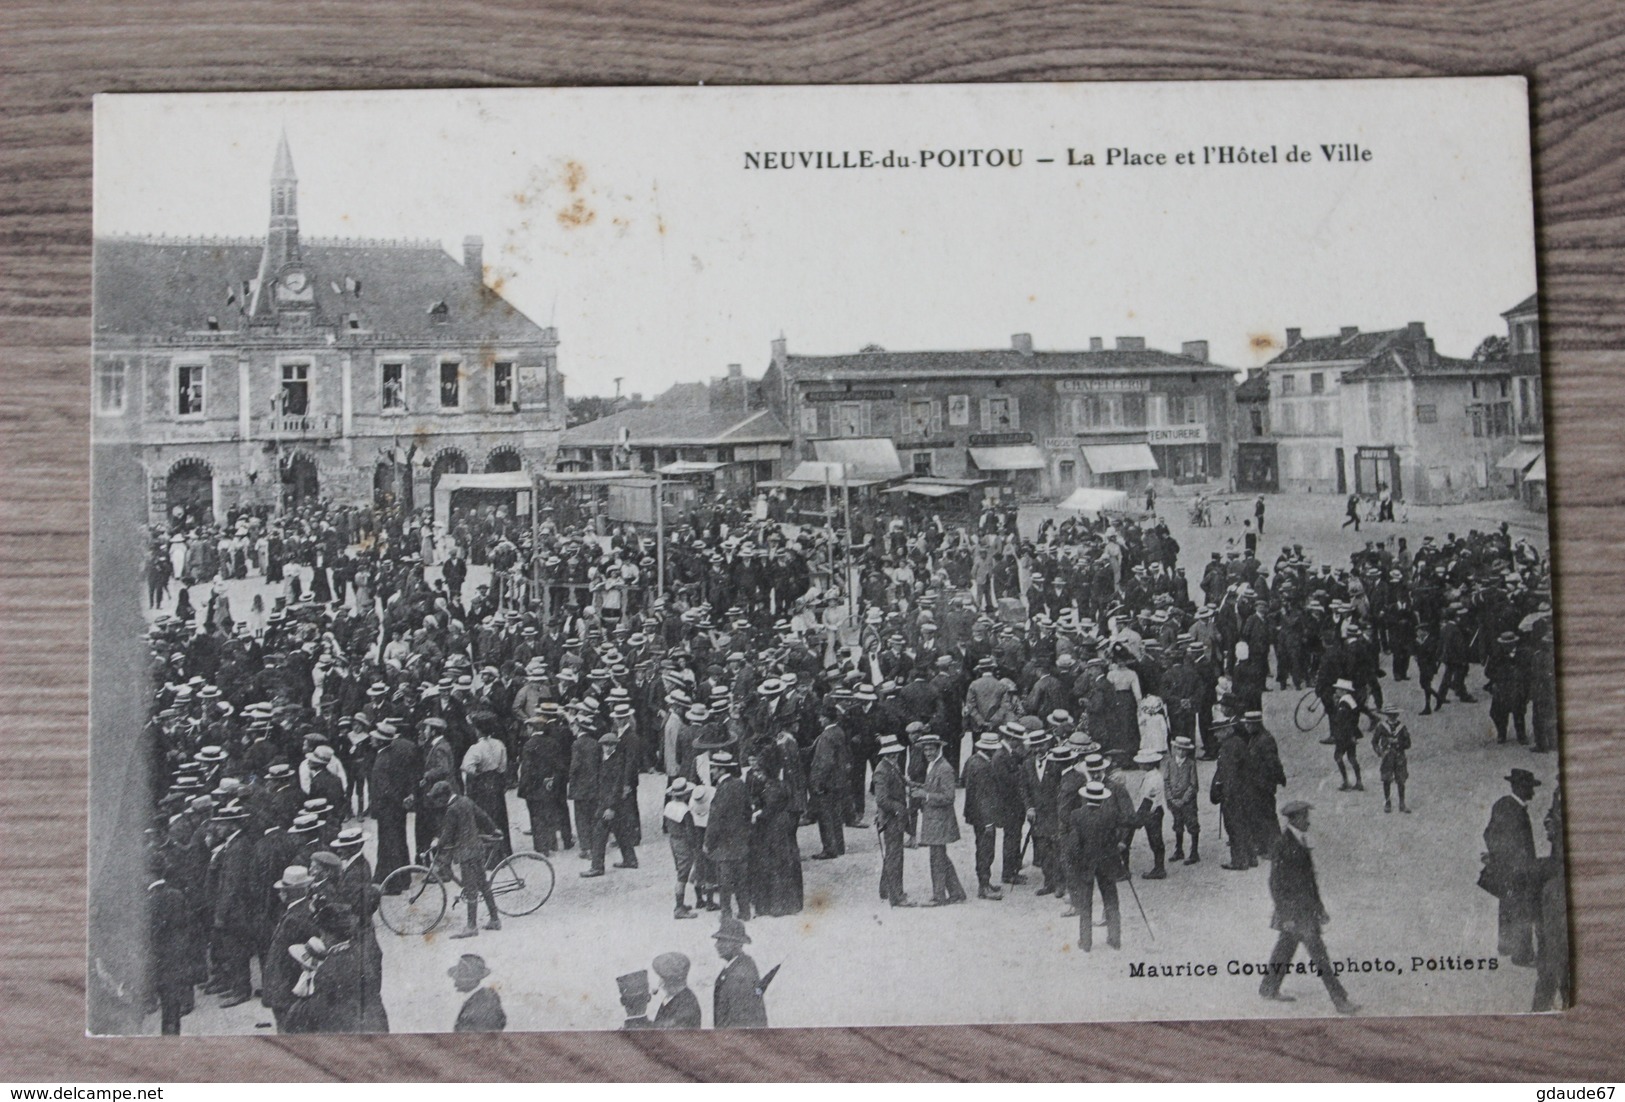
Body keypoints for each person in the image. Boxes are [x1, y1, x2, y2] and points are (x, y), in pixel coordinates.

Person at [1257, 801, 1360, 1014]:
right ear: (1294, 819)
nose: (1308, 821)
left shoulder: (1299, 841)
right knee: (1320, 956)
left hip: (1304, 910)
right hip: (1296, 914)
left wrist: (1319, 908)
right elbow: (1275, 884)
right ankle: (1340, 1000)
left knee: (1285, 949)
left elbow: (1309, 882)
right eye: (1305, 817)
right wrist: (1286, 915)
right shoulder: (1283, 844)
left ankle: (1268, 988)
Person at [1482, 768, 1541, 967]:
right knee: (1522, 908)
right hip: (1518, 869)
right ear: (1520, 788)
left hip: (1506, 867)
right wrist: (1519, 864)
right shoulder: (1516, 811)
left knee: (1507, 904)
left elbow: (1489, 833)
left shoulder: (1502, 804)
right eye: (1530, 788)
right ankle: (1522, 955)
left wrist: (1496, 857)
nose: (1533, 792)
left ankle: (1505, 945)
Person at [429, 781, 502, 939]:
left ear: (443, 797)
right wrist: (493, 829)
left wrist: (437, 843)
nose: (436, 802)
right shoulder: (465, 800)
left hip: (466, 853)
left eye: (437, 799)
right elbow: (482, 816)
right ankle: (495, 919)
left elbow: (447, 835)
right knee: (483, 884)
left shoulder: (451, 810)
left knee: (470, 888)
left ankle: (471, 926)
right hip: (476, 848)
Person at [910, 733, 967, 906]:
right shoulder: (933, 765)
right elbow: (934, 787)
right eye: (925, 749)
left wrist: (925, 795)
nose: (927, 752)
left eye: (931, 749)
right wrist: (917, 786)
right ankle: (956, 893)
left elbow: (949, 797)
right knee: (940, 857)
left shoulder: (944, 768)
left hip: (940, 821)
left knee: (937, 858)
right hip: (935, 820)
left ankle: (939, 896)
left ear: (938, 748)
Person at [1065, 781, 1122, 951]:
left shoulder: (1076, 815)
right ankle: (1114, 938)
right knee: (1111, 900)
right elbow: (1115, 837)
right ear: (1102, 798)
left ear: (1086, 797)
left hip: (1086, 863)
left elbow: (1074, 843)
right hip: (1106, 862)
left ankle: (1086, 941)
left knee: (1085, 902)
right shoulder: (1111, 814)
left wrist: (1074, 862)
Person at [704, 750, 753, 921]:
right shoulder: (740, 784)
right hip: (741, 841)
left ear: (721, 770)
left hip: (724, 844)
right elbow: (748, 810)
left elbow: (715, 820)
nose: (712, 772)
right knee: (741, 880)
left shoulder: (721, 790)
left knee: (725, 882)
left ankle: (726, 913)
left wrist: (708, 843)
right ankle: (745, 911)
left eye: (714, 768)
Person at [961, 731, 1006, 900]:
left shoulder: (972, 760)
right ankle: (984, 886)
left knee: (982, 848)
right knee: (986, 850)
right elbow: (983, 796)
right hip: (984, 816)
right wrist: (988, 821)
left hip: (974, 814)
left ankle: (985, 883)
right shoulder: (984, 767)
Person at [871, 734, 915, 907]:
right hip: (892, 819)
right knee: (895, 856)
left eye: (895, 752)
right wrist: (899, 809)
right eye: (891, 753)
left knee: (892, 853)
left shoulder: (892, 766)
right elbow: (881, 799)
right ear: (885, 754)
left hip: (895, 817)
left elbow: (901, 782)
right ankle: (896, 896)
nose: (894, 755)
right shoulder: (882, 770)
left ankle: (885, 889)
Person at [711, 916, 768, 1029]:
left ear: (737, 944)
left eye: (723, 941)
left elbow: (740, 1020)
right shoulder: (739, 964)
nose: (717, 945)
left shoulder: (740, 974)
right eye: (718, 940)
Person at [662, 777, 701, 919]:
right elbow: (691, 832)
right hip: (683, 841)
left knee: (680, 870)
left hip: (673, 840)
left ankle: (681, 904)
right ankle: (679, 907)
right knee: (683, 876)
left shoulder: (669, 806)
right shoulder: (685, 811)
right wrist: (695, 846)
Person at [1130, 749, 1168, 879]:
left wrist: (1138, 817)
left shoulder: (1153, 779)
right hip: (1154, 810)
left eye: (1142, 763)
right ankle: (1159, 867)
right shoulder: (1152, 775)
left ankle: (1159, 868)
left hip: (1152, 812)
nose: (1140, 765)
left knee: (1155, 840)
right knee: (1155, 840)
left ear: (1149, 764)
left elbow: (1147, 800)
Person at [1164, 736, 1201, 864]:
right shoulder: (1169, 763)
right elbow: (1166, 781)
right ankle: (1179, 850)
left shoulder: (1191, 764)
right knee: (1177, 825)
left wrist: (1184, 800)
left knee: (1192, 824)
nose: (1180, 752)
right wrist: (1171, 798)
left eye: (1184, 750)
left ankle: (1194, 852)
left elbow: (1193, 785)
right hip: (1174, 801)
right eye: (1178, 749)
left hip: (1188, 802)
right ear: (1174, 749)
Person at [450, 953, 507, 1032]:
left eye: (461, 976)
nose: (455, 981)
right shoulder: (476, 998)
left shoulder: (485, 1000)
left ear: (472, 978)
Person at [1371, 705, 1412, 813]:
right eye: (1390, 715)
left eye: (1394, 715)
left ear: (1397, 715)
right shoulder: (1381, 726)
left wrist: (1398, 743)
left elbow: (1408, 744)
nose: (1392, 717)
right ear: (1386, 715)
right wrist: (1379, 751)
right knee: (1386, 779)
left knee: (1401, 780)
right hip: (1387, 756)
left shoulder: (1402, 727)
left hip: (1399, 756)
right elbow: (1374, 741)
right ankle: (1387, 802)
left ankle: (1402, 803)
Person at [650, 952, 703, 1029]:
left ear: (672, 980)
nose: (659, 983)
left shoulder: (687, 1003)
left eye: (662, 978)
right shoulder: (670, 998)